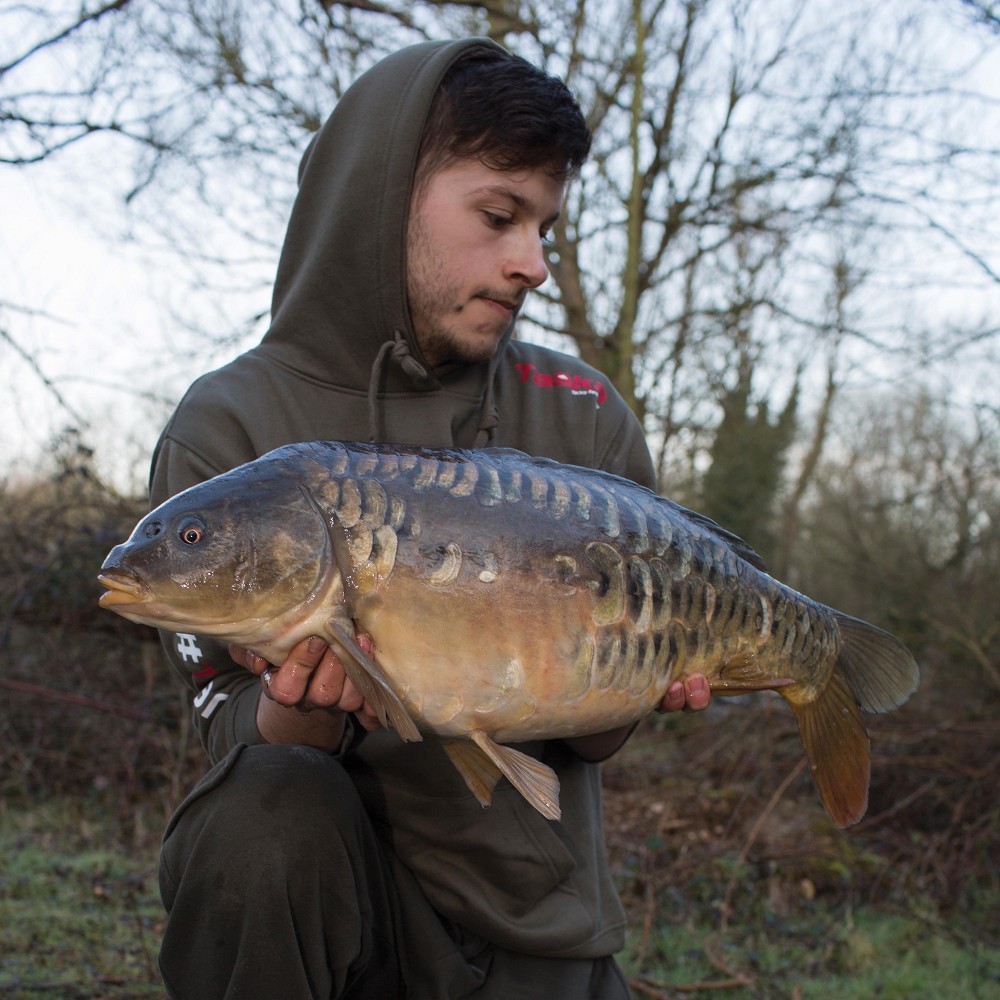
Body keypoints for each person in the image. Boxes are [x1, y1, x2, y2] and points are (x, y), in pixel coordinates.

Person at [149, 37, 711, 1000]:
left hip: (535, 926)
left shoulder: (583, 415)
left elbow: (595, 741)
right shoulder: (227, 427)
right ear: (384, 196)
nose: (531, 262)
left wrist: (638, 676)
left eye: (545, 229)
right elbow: (230, 739)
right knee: (263, 813)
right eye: (499, 216)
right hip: (325, 925)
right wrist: (301, 701)